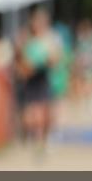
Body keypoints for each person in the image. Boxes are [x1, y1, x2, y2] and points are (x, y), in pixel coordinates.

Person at [14, 8, 62, 150]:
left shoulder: (49, 39)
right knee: (32, 113)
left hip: (44, 78)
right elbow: (20, 60)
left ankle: (43, 138)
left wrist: (45, 62)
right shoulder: (27, 39)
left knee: (45, 112)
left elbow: (55, 59)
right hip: (30, 80)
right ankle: (34, 136)